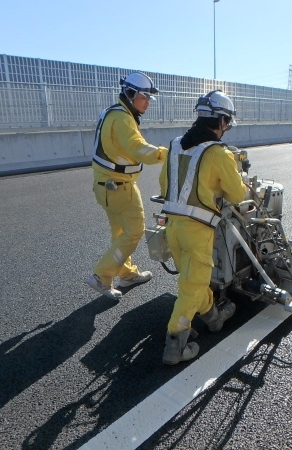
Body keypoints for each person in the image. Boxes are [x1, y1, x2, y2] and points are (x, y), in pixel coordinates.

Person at [159, 90, 247, 365]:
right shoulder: (219, 153)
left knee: (190, 280)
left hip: (173, 227)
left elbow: (166, 185)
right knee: (192, 286)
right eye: (228, 123)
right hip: (198, 231)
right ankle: (175, 344)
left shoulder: (174, 145)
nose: (228, 128)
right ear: (220, 121)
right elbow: (238, 195)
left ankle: (213, 317)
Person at [86, 72, 168, 300]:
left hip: (105, 187)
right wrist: (168, 154)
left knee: (120, 232)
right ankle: (102, 276)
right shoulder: (122, 119)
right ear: (131, 94)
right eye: (145, 97)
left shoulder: (112, 113)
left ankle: (126, 273)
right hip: (121, 188)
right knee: (134, 232)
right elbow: (138, 150)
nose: (149, 102)